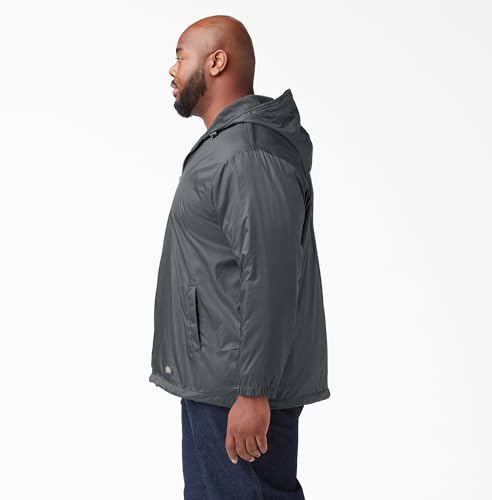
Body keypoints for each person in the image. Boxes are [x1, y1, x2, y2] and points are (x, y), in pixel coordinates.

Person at [149, 14, 330, 499]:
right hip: (220, 381)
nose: (172, 70)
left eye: (181, 57)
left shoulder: (245, 152)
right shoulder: (229, 148)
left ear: (216, 62)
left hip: (237, 388)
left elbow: (270, 276)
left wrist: (253, 391)